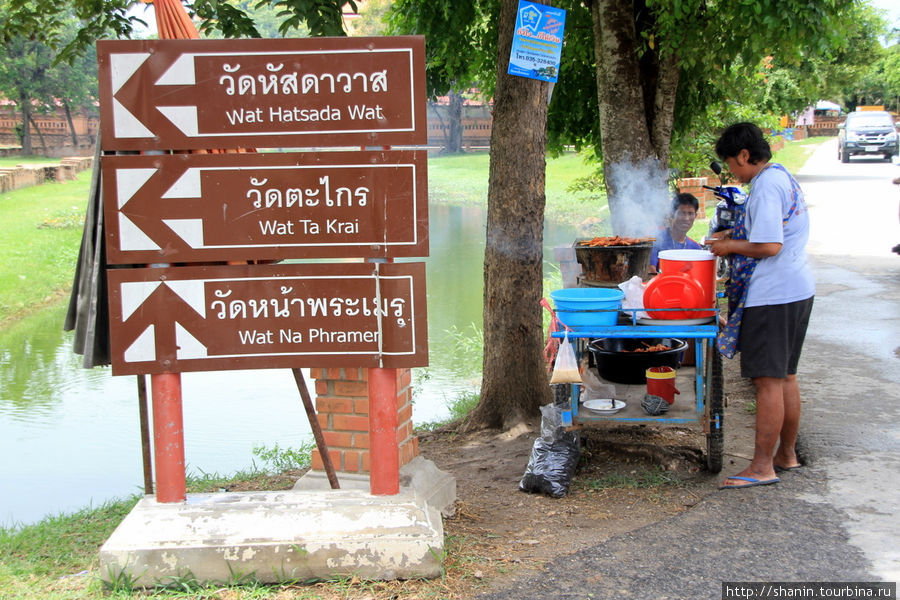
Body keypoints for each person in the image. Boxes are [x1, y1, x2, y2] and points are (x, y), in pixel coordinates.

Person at [707, 122, 815, 490]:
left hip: (773, 295)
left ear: (744, 155)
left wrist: (729, 247)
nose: (734, 173)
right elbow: (767, 232)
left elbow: (769, 246)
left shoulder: (767, 185)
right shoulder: (781, 176)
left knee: (768, 382)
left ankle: (761, 466)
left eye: (732, 164)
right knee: (785, 376)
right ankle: (786, 454)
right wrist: (732, 235)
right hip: (797, 289)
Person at [647, 193, 703, 275]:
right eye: (682, 213)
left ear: (696, 216)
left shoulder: (696, 249)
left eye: (690, 214)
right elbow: (650, 270)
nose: (686, 218)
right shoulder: (656, 239)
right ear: (672, 214)